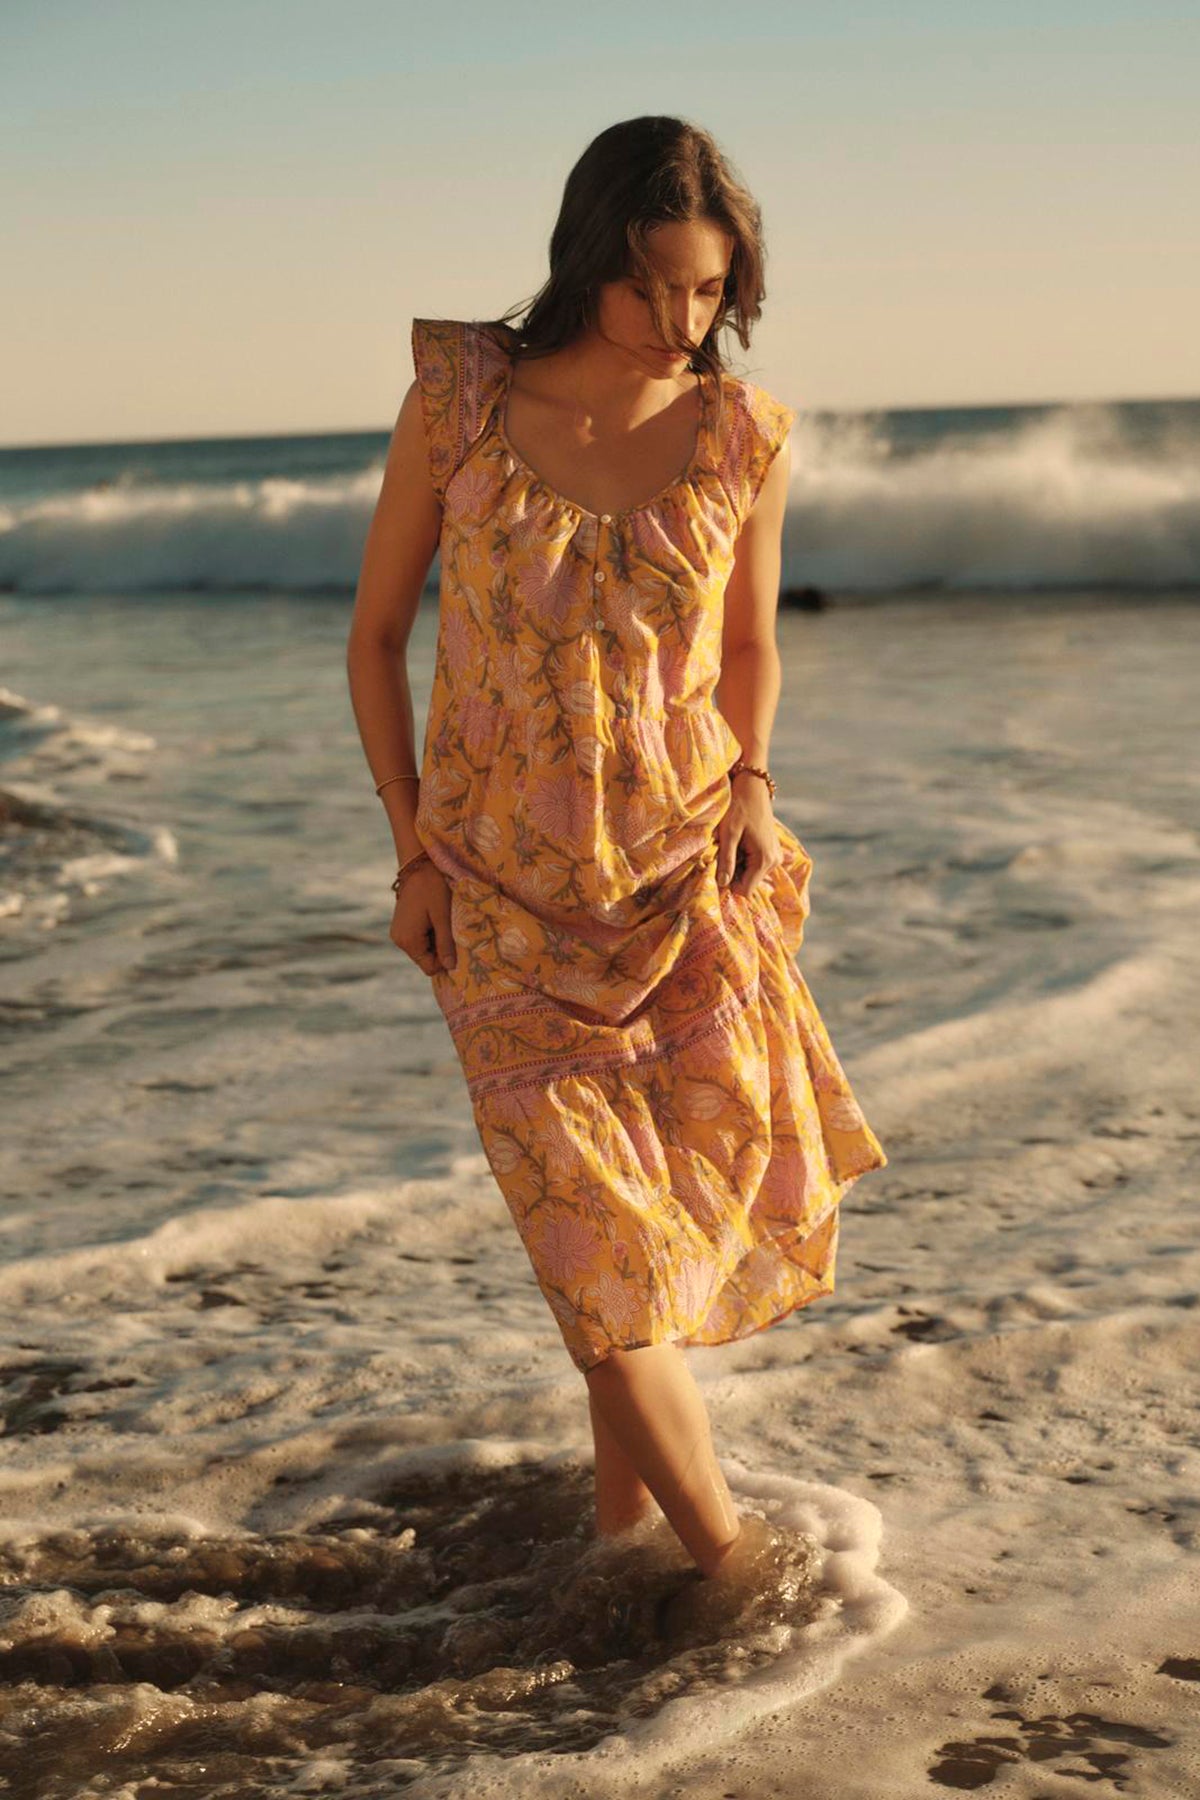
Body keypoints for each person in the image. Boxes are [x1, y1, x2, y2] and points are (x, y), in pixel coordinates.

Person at [346, 115, 887, 1583]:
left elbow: (751, 641)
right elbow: (379, 638)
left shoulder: (739, 434)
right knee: (594, 1251)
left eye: (710, 293)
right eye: (656, 287)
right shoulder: (458, 402)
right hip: (497, 905)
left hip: (681, 880)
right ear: (592, 260)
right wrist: (411, 856)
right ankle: (736, 1578)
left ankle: (617, 1553)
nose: (682, 321)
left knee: (640, 1248)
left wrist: (758, 788)